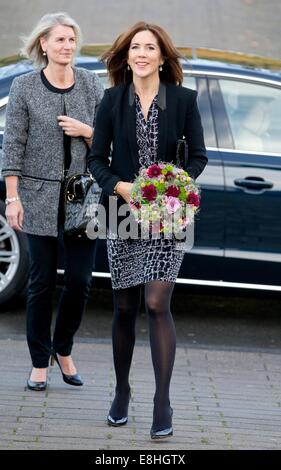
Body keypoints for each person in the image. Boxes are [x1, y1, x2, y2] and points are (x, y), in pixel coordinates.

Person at [88, 21, 208, 439]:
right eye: (135, 47)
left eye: (150, 47)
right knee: (124, 307)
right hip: (121, 212)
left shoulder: (184, 99)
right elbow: (96, 159)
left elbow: (199, 157)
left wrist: (173, 184)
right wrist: (122, 187)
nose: (141, 53)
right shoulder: (110, 100)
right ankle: (121, 391)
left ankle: (162, 400)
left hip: (169, 214)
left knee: (157, 303)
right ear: (126, 57)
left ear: (162, 57)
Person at [2, 12, 104, 391]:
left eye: (71, 40)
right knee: (40, 283)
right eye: (60, 40)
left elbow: (107, 144)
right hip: (38, 197)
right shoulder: (25, 87)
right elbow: (12, 147)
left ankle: (63, 347)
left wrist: (87, 131)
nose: (67, 47)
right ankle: (39, 362)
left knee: (80, 282)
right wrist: (12, 197)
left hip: (84, 198)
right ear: (43, 44)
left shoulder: (92, 85)